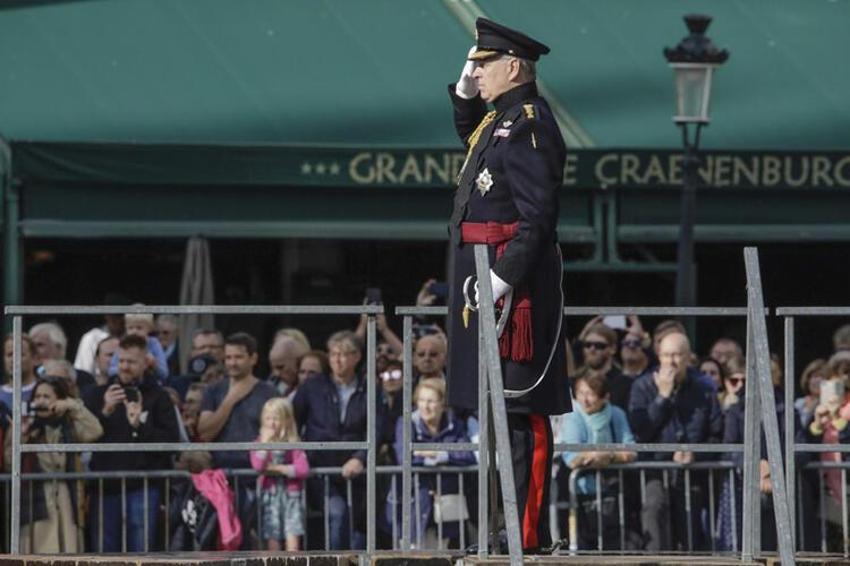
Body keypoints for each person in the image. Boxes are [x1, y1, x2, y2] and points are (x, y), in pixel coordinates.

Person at [445, 17, 571, 553]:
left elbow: (537, 217)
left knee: (522, 409)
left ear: (513, 65)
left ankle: (525, 534)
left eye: (484, 64)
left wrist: (502, 276)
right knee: (493, 409)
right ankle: (501, 528)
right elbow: (479, 151)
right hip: (483, 271)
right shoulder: (501, 119)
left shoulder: (530, 123)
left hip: (513, 282)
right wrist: (462, 96)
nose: (477, 72)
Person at [83, 334, 180, 551]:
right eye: (121, 360)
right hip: (104, 485)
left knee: (142, 552)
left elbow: (172, 444)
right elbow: (83, 437)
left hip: (143, 486)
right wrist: (105, 411)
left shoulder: (159, 397)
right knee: (105, 554)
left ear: (146, 362)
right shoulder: (97, 395)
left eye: (132, 362)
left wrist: (140, 426)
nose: (124, 367)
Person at [293, 330, 384, 550]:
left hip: (357, 472)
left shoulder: (370, 387)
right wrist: (301, 455)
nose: (337, 360)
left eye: (344, 354)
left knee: (360, 527)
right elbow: (294, 420)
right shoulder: (313, 386)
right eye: (333, 354)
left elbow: (378, 427)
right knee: (337, 514)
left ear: (357, 356)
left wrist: (361, 458)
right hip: (321, 469)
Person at [628, 331, 719, 551]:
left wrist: (695, 454)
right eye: (667, 355)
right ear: (659, 356)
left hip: (692, 473)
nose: (671, 361)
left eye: (677, 355)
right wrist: (663, 397)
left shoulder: (704, 390)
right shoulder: (642, 386)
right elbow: (641, 432)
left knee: (691, 536)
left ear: (688, 357)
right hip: (654, 471)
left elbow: (717, 435)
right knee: (654, 509)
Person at [3, 375, 103, 553]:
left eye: (46, 397)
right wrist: (22, 435)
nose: (40, 401)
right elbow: (10, 463)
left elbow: (94, 431)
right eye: (37, 396)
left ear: (59, 400)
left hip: (67, 503)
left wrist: (72, 406)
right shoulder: (26, 426)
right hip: (36, 505)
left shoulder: (69, 426)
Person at [197, 332, 276, 548]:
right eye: (228, 357)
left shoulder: (269, 392)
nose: (232, 363)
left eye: (238, 357)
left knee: (256, 546)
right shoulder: (214, 391)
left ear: (253, 358)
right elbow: (204, 432)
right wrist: (230, 400)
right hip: (220, 482)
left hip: (259, 481)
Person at [391, 378, 476, 548]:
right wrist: (445, 458)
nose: (425, 406)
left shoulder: (456, 425)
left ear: (443, 404)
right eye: (421, 400)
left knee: (443, 555)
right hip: (414, 504)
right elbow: (404, 458)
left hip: (446, 507)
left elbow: (467, 455)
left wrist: (439, 455)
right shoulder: (407, 423)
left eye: (431, 401)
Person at [560, 371, 636, 550]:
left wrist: (609, 456)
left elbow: (631, 449)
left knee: (614, 546)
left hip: (612, 493)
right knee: (583, 546)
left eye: (591, 394)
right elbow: (571, 457)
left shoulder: (617, 414)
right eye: (580, 393)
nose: (584, 400)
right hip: (580, 494)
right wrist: (592, 456)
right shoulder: (572, 415)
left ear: (605, 397)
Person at [250, 397, 309, 551]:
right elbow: (258, 465)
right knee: (272, 541)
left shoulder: (293, 442)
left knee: (293, 542)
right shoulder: (258, 442)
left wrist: (277, 468)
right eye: (268, 418)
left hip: (292, 497)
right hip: (269, 496)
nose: (272, 423)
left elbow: (303, 469)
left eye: (276, 418)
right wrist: (265, 444)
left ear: (286, 420)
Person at [107, 312, 169, 381]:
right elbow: (110, 371)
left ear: (149, 329)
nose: (134, 331)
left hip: (150, 385)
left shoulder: (154, 344)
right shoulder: (123, 344)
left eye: (139, 328)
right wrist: (124, 368)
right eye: (130, 328)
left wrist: (154, 365)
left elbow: (164, 373)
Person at [1, 334, 39, 412]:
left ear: (34, 358)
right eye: (9, 355)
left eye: (20, 354)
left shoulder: (44, 392)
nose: (13, 359)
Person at [268, 335, 308, 400]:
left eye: (280, 367)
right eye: (272, 368)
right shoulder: (272, 386)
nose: (276, 374)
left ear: (299, 362)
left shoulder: (315, 388)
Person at [795, 358, 826, 428]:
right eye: (815, 376)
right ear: (808, 380)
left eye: (822, 376)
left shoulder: (831, 404)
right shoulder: (798, 403)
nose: (818, 380)